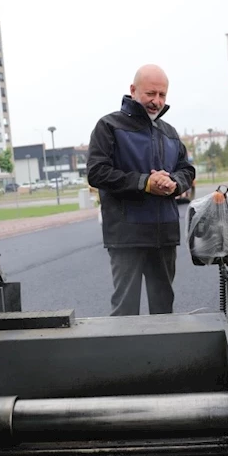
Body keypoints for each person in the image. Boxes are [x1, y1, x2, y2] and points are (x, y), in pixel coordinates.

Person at [87, 64, 196, 316]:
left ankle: (161, 355)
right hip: (127, 237)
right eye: (150, 94)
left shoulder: (169, 132)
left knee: (163, 308)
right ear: (133, 90)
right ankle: (125, 357)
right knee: (125, 310)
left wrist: (174, 183)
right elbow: (96, 173)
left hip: (165, 235)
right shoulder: (109, 126)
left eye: (162, 95)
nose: (156, 101)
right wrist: (145, 182)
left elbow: (186, 170)